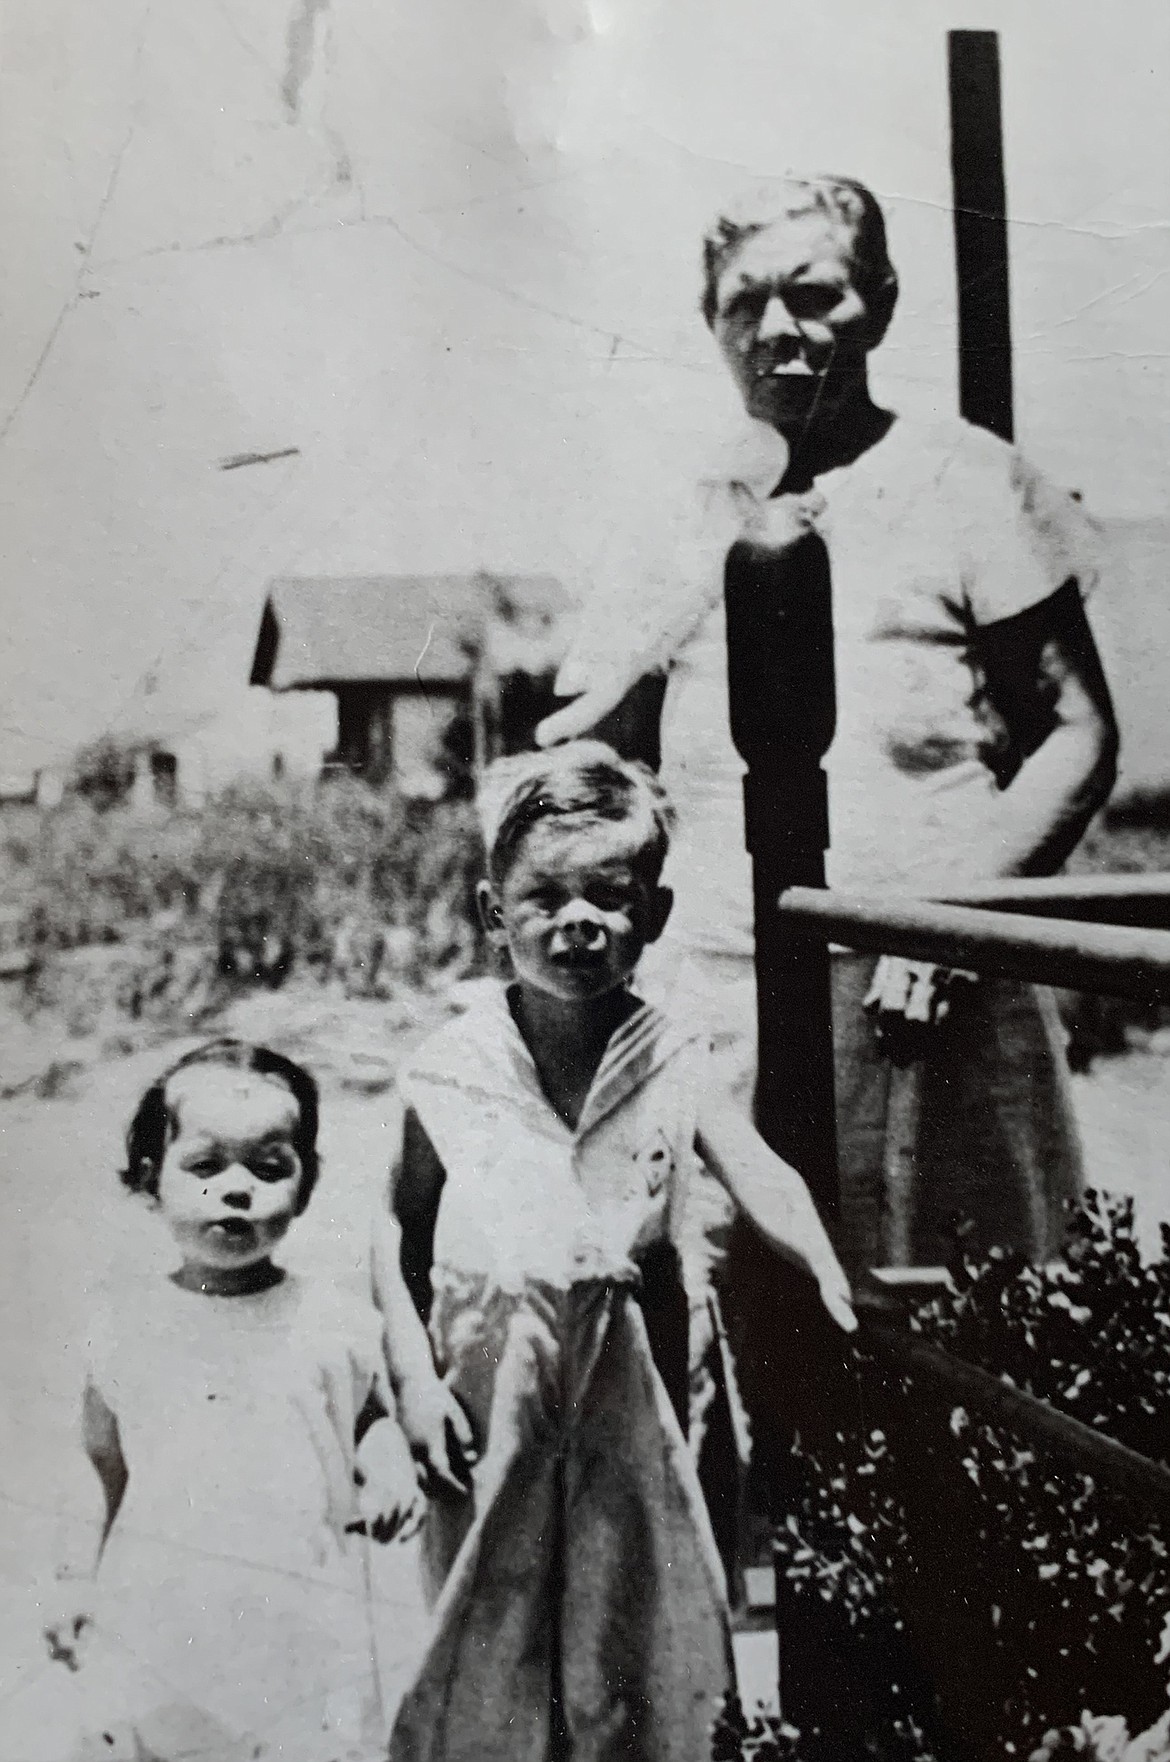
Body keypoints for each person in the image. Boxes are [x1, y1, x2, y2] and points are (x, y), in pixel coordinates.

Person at [537, 175, 1119, 1273]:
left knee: (954, 1325)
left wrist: (957, 922)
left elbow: (1079, 734)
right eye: (742, 303)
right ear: (708, 322)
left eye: (814, 295)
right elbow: (597, 755)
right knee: (725, 1313)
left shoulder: (967, 477)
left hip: (934, 982)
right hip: (718, 981)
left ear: (883, 303)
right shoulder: (682, 505)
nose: (778, 332)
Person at [372, 741, 856, 1762]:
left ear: (656, 915)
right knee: (492, 1628)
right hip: (489, 1385)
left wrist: (822, 1262)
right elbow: (394, 1228)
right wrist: (411, 1384)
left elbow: (758, 1166)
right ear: (493, 913)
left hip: (642, 1388)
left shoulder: (674, 1052)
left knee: (639, 1633)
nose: (577, 919)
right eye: (543, 896)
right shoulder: (452, 1068)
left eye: (609, 892)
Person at [44, 1039, 423, 1762]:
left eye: (270, 1167)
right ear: (154, 1183)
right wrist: (72, 1583)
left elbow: (367, 1416)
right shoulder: (122, 1325)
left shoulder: (333, 1321)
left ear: (306, 1188)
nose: (239, 1187)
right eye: (206, 1166)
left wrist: (389, 1464)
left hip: (302, 1622)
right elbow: (98, 1466)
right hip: (160, 1621)